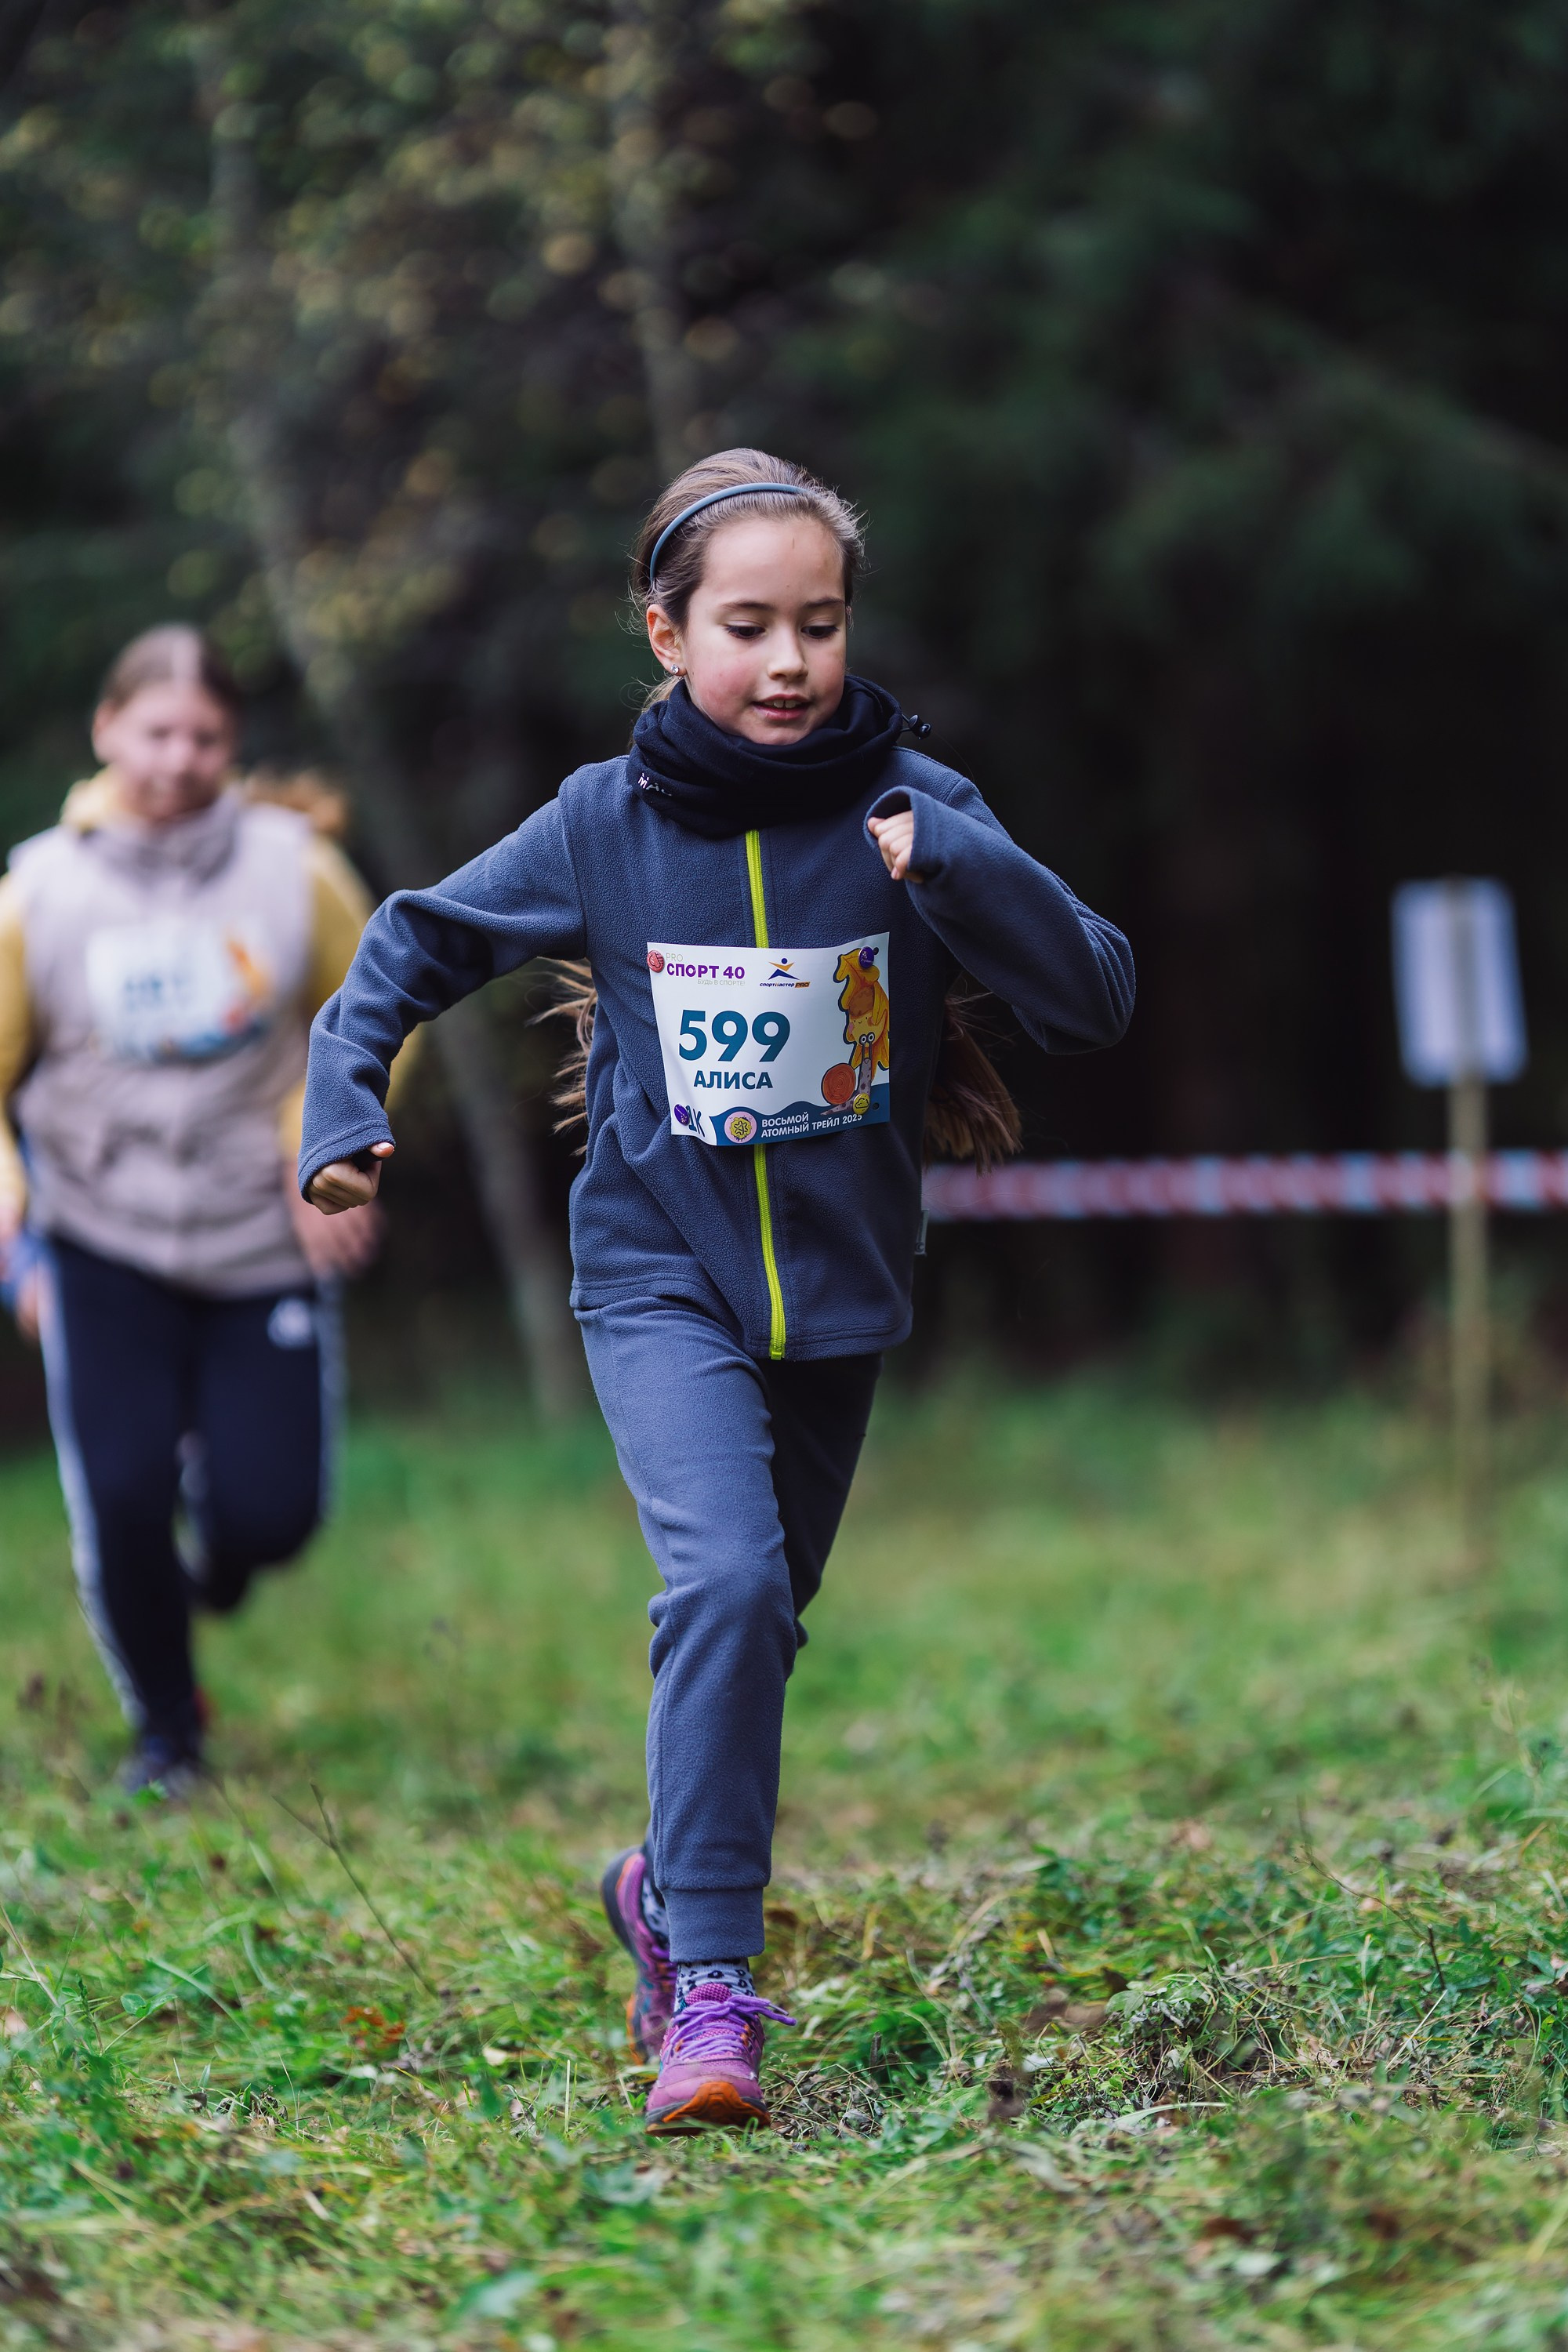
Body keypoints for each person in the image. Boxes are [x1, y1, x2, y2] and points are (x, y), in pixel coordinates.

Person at [299, 449, 1135, 2133]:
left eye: (816, 626)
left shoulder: (917, 801)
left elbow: (1096, 998)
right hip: (657, 1279)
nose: (787, 664)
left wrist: (953, 873)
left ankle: (660, 1889)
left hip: (837, 1294)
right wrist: (342, 1111)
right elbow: (407, 943)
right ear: (666, 632)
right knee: (730, 1593)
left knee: (762, 1627)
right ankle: (711, 1991)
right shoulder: (600, 830)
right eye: (745, 625)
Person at [0, 626, 397, 1794]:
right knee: (120, 1492)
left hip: (259, 1232)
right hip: (99, 1233)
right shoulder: (38, 890)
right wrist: (13, 1204)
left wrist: (319, 1155)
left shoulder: (295, 868)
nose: (179, 758)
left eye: (206, 736)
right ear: (106, 732)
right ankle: (168, 1735)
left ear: (234, 743)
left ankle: (213, 1573)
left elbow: (374, 1014)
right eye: (156, 732)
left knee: (271, 1515)